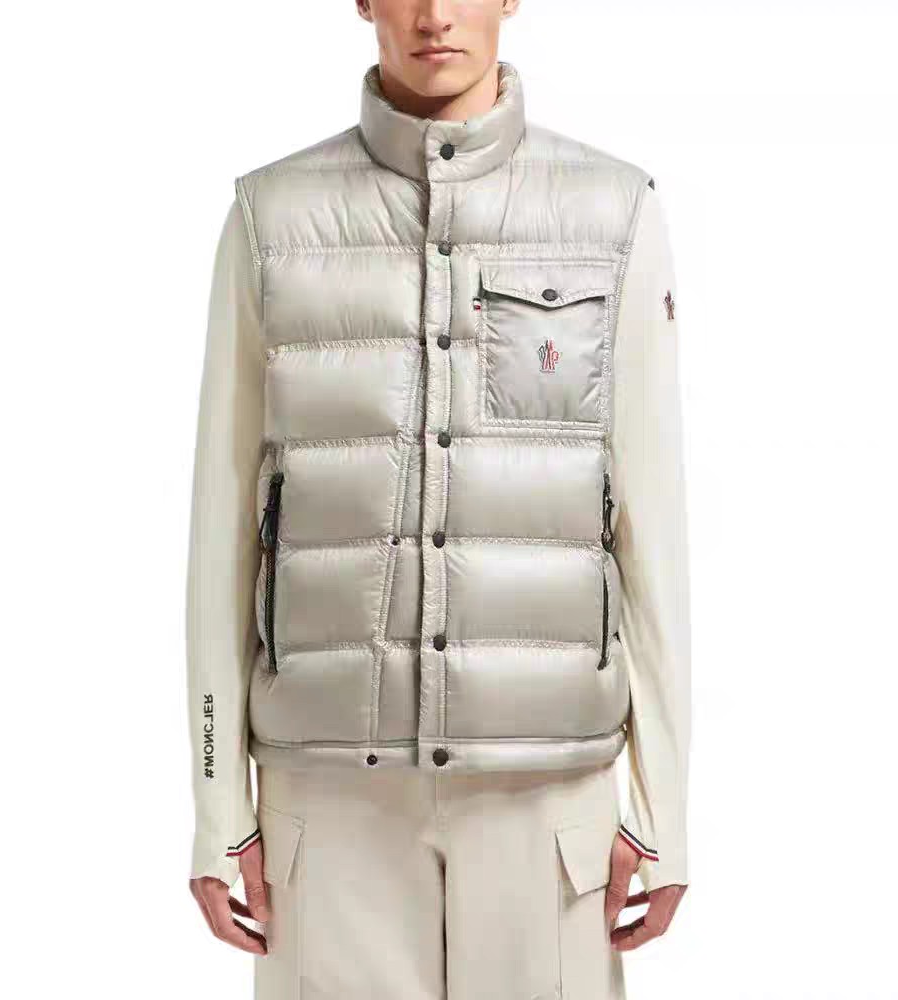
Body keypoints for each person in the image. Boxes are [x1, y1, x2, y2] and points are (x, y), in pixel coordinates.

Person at [184, 2, 691, 997]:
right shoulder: (270, 222)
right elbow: (220, 531)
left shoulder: (612, 215)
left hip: (547, 796)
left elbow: (651, 528)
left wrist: (662, 797)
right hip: (327, 802)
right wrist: (215, 801)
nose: (434, 14)